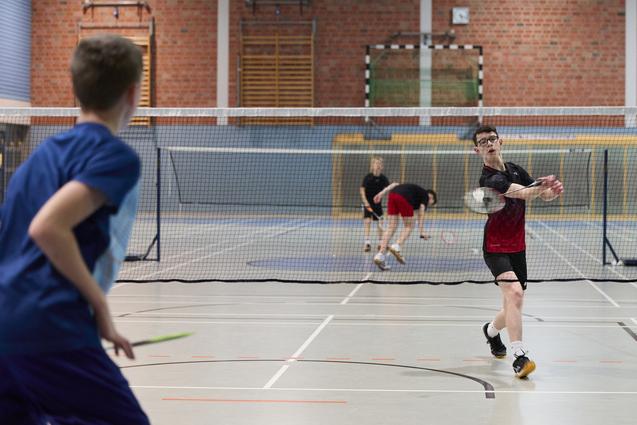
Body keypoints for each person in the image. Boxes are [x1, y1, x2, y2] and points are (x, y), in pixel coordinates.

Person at [0, 35, 150, 424]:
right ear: (132, 93)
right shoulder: (115, 156)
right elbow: (49, 227)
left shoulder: (38, 158)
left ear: (76, 89)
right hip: (50, 327)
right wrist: (100, 306)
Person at [473, 125, 563, 379]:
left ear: (500, 141)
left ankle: (491, 332)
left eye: (492, 139)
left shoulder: (514, 169)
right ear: (477, 150)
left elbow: (542, 196)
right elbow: (524, 193)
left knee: (514, 301)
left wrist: (552, 190)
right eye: (483, 142)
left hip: (518, 246)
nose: (489, 144)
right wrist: (541, 186)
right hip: (495, 247)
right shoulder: (490, 179)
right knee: (515, 293)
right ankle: (520, 357)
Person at [372, 183, 437, 271]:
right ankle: (396, 245)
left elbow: (394, 184)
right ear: (431, 198)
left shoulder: (416, 194)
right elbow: (421, 212)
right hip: (404, 197)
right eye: (431, 203)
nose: (428, 204)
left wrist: (381, 194)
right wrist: (422, 231)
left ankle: (380, 255)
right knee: (409, 226)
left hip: (392, 195)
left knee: (391, 227)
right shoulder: (425, 196)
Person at [360, 156, 391, 252]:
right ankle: (367, 243)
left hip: (377, 204)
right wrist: (365, 201)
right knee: (367, 221)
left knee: (380, 222)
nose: (378, 165)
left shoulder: (384, 178)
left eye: (380, 163)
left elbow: (388, 189)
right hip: (367, 203)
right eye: (376, 163)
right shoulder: (368, 177)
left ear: (382, 166)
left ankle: (380, 243)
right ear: (372, 166)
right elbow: (362, 189)